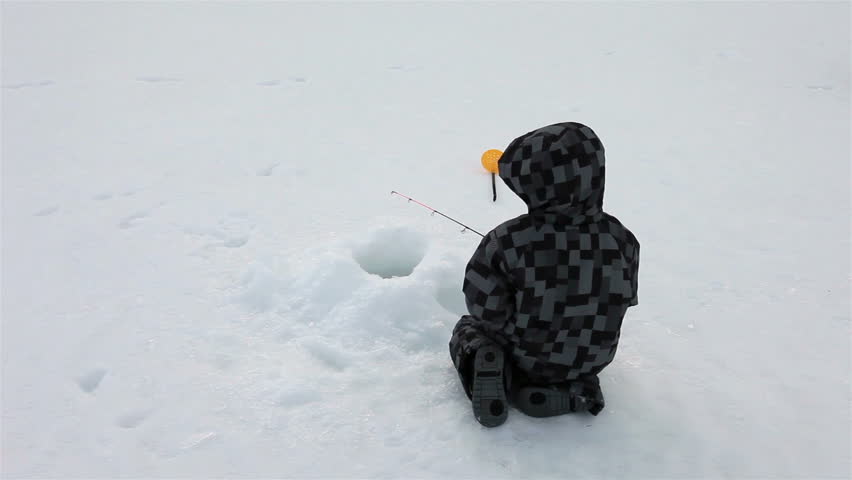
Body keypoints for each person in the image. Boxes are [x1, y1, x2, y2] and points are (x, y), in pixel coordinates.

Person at [449, 122, 640, 427]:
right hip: (594, 355)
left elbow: (483, 305)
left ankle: (492, 367)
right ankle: (580, 391)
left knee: (468, 329)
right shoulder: (622, 238)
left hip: (528, 354)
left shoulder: (508, 239)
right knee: (580, 362)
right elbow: (625, 300)